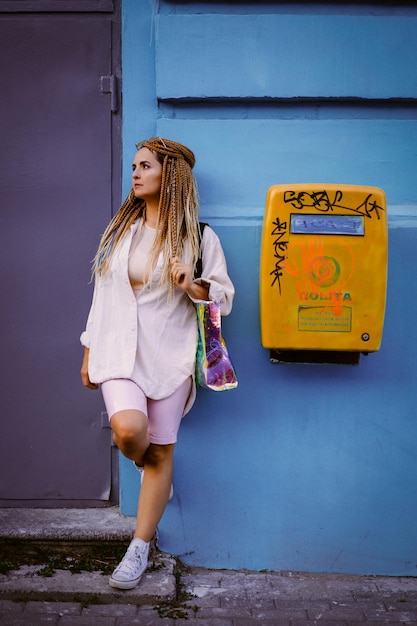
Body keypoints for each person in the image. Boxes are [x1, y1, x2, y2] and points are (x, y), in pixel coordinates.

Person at [80, 137, 235, 590]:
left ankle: (139, 547)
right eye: (133, 166)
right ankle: (151, 471)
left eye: (145, 166)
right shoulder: (120, 231)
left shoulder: (200, 238)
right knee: (131, 432)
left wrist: (193, 283)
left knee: (163, 452)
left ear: (170, 175)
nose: (135, 173)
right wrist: (89, 352)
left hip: (170, 358)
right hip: (119, 355)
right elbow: (101, 297)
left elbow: (224, 299)